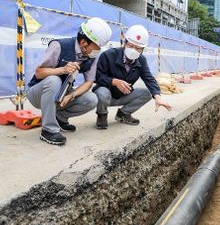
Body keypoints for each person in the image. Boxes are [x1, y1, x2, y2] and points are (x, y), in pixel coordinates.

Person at [26, 17, 112, 145]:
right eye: (97, 46)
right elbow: (39, 73)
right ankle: (48, 130)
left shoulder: (91, 57)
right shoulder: (59, 46)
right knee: (54, 80)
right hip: (38, 92)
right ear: (84, 43)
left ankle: (60, 119)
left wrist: (71, 95)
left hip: (61, 93)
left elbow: (89, 82)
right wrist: (62, 69)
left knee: (92, 99)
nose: (98, 50)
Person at [94, 25, 171, 129]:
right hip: (106, 95)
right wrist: (114, 81)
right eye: (131, 45)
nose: (134, 50)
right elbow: (97, 77)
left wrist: (157, 97)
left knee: (147, 93)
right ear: (125, 43)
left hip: (124, 95)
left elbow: (149, 79)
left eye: (138, 48)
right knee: (101, 92)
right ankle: (102, 115)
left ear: (143, 49)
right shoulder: (109, 55)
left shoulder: (141, 60)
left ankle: (123, 114)